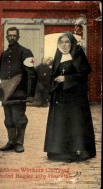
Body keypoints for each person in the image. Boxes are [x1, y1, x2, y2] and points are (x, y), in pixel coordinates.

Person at [44, 32, 96, 162]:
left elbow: (84, 76)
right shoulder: (57, 56)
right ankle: (58, 151)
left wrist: (66, 79)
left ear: (72, 43)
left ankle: (77, 151)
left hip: (75, 99)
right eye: (62, 42)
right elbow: (53, 75)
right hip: (60, 97)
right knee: (60, 123)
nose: (64, 45)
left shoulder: (78, 56)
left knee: (75, 124)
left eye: (67, 42)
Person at [0, 27, 37, 153]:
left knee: (18, 119)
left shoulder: (26, 52)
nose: (12, 37)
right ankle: (11, 142)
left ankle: (19, 143)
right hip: (6, 94)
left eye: (14, 35)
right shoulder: (4, 54)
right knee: (8, 120)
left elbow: (32, 74)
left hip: (19, 93)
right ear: (6, 37)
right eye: (10, 35)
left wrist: (30, 94)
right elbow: (1, 75)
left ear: (18, 37)